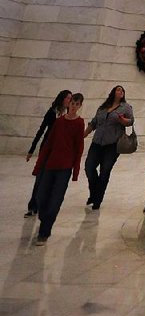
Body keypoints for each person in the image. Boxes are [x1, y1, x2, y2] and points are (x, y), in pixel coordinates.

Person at [33, 93, 85, 245]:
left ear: (80, 106)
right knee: (41, 197)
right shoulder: (59, 122)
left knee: (55, 200)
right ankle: (45, 220)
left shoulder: (79, 123)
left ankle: (44, 232)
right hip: (50, 165)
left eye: (77, 104)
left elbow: (79, 148)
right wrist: (38, 166)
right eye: (72, 103)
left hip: (65, 168)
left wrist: (75, 171)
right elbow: (48, 144)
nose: (74, 106)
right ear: (68, 104)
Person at [84, 85, 134, 209]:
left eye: (122, 90)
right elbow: (94, 122)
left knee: (105, 171)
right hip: (97, 142)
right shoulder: (103, 107)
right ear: (113, 92)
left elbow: (131, 121)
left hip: (112, 144)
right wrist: (83, 134)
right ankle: (94, 193)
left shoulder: (126, 107)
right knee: (89, 167)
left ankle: (97, 200)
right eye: (118, 89)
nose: (121, 91)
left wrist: (124, 121)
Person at [24, 89, 72, 217]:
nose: (70, 101)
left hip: (60, 151)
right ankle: (32, 206)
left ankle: (43, 204)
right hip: (47, 149)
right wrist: (31, 149)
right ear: (62, 99)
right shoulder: (52, 113)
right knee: (40, 178)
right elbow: (41, 130)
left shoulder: (68, 114)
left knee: (51, 180)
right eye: (68, 98)